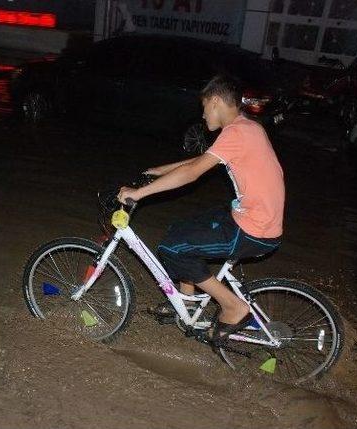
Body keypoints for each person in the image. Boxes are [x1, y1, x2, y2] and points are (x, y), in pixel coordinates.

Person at [117, 75, 285, 343]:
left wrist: (139, 193)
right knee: (180, 230)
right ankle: (191, 303)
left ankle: (233, 307)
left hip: (254, 229)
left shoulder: (237, 133)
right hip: (252, 217)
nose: (203, 114)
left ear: (216, 101)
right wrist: (161, 170)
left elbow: (193, 172)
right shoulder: (247, 128)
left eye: (204, 106)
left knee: (172, 250)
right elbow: (203, 160)